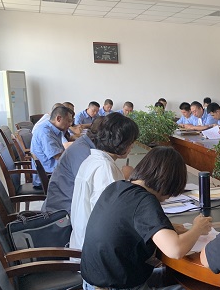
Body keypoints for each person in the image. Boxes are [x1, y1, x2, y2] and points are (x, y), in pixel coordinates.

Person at [81, 147, 220, 290]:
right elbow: (175, 250)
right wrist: (197, 228)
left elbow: (127, 224)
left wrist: (167, 227)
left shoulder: (118, 188)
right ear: (168, 182)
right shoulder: (145, 201)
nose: (168, 198)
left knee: (176, 277)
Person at [69, 112, 139, 250]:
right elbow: (113, 216)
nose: (132, 146)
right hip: (95, 250)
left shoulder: (93, 160)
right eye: (131, 141)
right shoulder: (105, 167)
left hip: (84, 242)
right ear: (120, 141)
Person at [42, 116, 104, 213]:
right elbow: (95, 190)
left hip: (65, 200)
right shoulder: (84, 151)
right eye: (68, 120)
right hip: (63, 212)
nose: (71, 124)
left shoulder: (83, 143)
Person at [30, 104, 74, 188]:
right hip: (48, 177)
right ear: (58, 119)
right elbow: (58, 156)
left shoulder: (54, 129)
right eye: (68, 121)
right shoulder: (45, 132)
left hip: (54, 171)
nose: (70, 124)